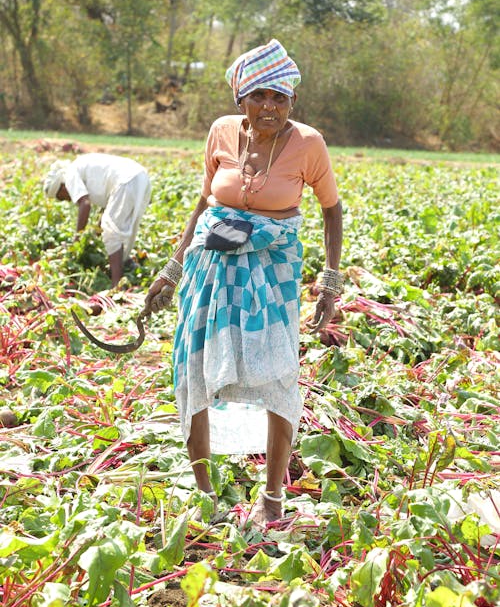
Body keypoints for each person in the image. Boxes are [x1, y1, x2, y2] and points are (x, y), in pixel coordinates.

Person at [144, 39, 343, 529]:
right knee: (193, 367)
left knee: (277, 370)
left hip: (272, 274)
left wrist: (330, 282)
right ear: (241, 100)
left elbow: (331, 210)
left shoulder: (308, 144)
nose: (270, 107)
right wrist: (173, 268)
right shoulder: (221, 133)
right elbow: (203, 202)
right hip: (211, 268)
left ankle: (273, 495)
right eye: (259, 96)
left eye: (281, 97)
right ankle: (204, 491)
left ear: (292, 102)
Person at [43, 153, 151, 287]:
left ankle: (116, 285)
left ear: (62, 187)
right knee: (118, 229)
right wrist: (95, 234)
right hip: (140, 177)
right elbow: (106, 209)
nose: (66, 200)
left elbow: (85, 204)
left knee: (112, 233)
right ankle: (127, 265)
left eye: (61, 197)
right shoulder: (81, 167)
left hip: (126, 180)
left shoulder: (70, 174)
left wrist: (77, 240)